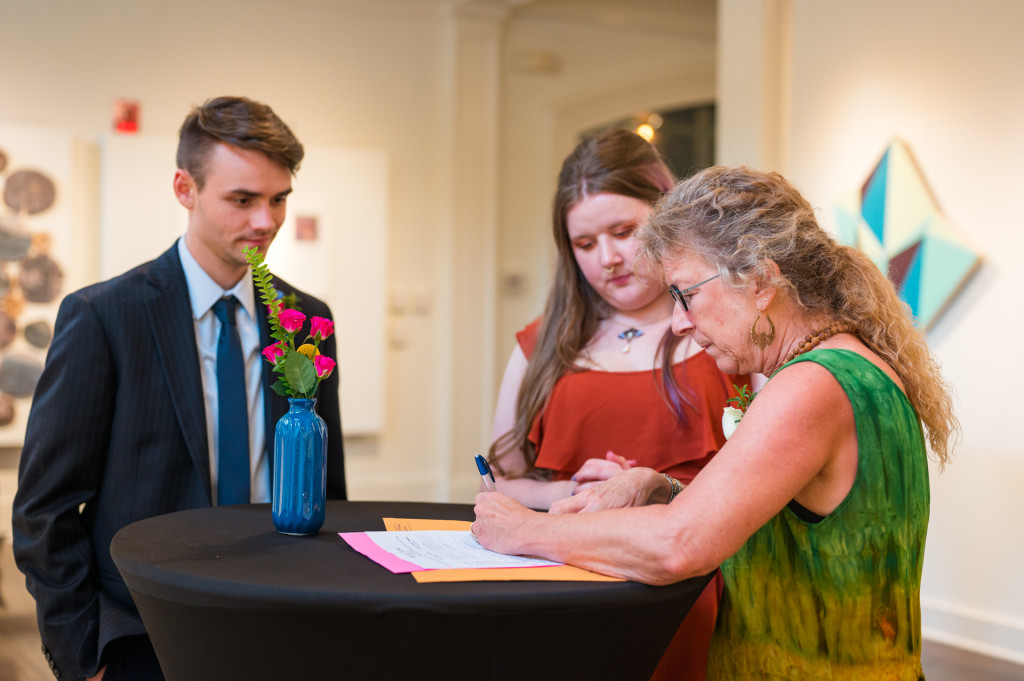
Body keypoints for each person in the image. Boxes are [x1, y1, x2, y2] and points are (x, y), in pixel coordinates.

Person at [474, 165, 958, 680]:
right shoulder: (848, 365)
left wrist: (524, 528)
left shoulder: (813, 385)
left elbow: (677, 548)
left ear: (760, 280)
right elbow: (774, 518)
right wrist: (658, 486)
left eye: (686, 293)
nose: (680, 321)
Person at [13, 96, 347, 681]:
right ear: (184, 189)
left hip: (285, 621)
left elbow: (329, 484)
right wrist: (81, 656)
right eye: (242, 200)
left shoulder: (306, 319)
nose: (266, 221)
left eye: (278, 199)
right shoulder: (103, 316)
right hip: (142, 630)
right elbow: (46, 509)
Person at [486, 128, 746, 681]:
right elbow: (500, 482)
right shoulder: (540, 345)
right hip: (565, 578)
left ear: (666, 215)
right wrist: (577, 494)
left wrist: (655, 488)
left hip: (695, 586)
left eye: (624, 231)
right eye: (585, 244)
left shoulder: (726, 333)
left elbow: (763, 481)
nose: (608, 259)